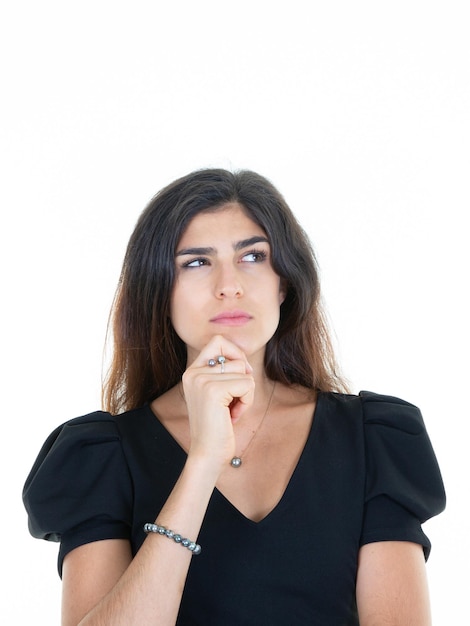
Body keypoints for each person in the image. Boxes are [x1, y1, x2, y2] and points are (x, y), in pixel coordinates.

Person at [23, 168, 446, 625]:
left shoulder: (372, 440)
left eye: (253, 256)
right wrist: (203, 460)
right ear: (159, 292)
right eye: (196, 262)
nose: (229, 284)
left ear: (284, 282)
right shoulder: (99, 457)